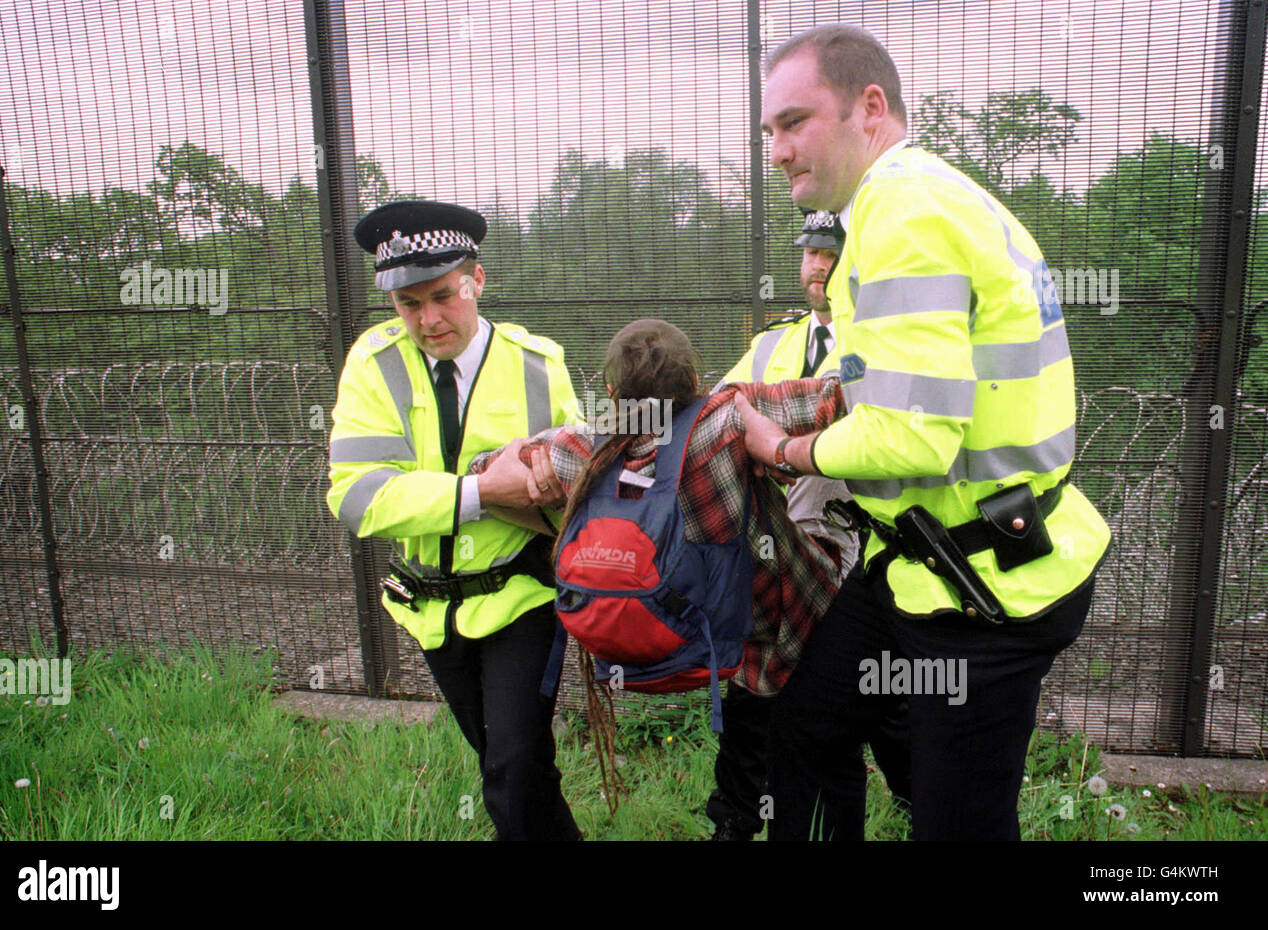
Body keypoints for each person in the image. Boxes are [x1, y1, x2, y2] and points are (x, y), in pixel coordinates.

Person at [735, 25, 1112, 840]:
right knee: (808, 715)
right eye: (769, 131)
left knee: (959, 822)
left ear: (870, 107)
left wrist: (786, 450)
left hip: (982, 587)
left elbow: (911, 439)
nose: (776, 151)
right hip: (920, 555)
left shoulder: (902, 213)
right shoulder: (918, 198)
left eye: (794, 122)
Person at [467, 319, 850, 827]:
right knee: (798, 741)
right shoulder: (728, 417)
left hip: (698, 635)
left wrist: (535, 473)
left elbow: (481, 471)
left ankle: (734, 822)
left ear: (610, 391)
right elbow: (836, 400)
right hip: (779, 621)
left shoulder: (584, 448)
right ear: (696, 377)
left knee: (750, 730)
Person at [324, 200, 584, 840]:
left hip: (524, 595)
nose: (428, 319)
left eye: (444, 296)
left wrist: (552, 482)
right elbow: (357, 496)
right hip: (430, 607)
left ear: (478, 279)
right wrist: (481, 490)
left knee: (514, 762)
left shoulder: (538, 363)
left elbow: (578, 482)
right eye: (408, 304)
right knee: (512, 764)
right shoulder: (373, 363)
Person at [703, 209, 912, 842]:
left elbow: (849, 411)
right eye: (810, 253)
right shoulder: (771, 344)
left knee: (876, 702)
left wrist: (771, 431)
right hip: (779, 552)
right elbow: (719, 413)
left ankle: (918, 801)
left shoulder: (881, 343)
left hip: (860, 548)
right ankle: (736, 821)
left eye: (833, 253)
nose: (817, 267)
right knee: (756, 693)